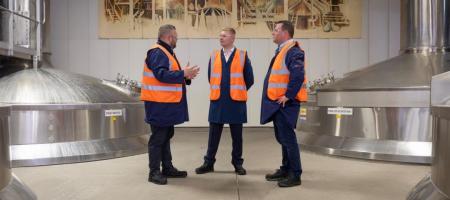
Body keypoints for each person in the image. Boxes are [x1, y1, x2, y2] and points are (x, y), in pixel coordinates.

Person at [141, 24, 200, 185]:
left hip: (165, 104)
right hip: (158, 104)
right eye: (176, 36)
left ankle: (167, 168)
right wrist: (183, 73)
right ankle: (154, 172)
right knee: (158, 138)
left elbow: (169, 75)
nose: (177, 39)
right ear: (169, 37)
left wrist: (185, 77)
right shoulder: (158, 52)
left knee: (166, 136)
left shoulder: (166, 52)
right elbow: (161, 75)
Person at [195, 27, 254, 175]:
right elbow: (211, 77)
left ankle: (237, 163)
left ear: (233, 38)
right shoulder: (214, 55)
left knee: (237, 136)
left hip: (236, 102)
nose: (221, 38)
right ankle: (208, 163)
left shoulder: (242, 55)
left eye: (224, 36)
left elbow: (250, 79)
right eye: (220, 35)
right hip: (218, 101)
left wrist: (237, 90)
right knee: (213, 135)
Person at [261, 20, 307, 187]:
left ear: (285, 33)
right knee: (282, 138)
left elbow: (298, 75)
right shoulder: (282, 51)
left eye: (276, 30)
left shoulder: (293, 51)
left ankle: (295, 174)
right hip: (278, 103)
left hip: (286, 103)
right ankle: (286, 169)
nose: (273, 32)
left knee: (288, 138)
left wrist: (288, 95)